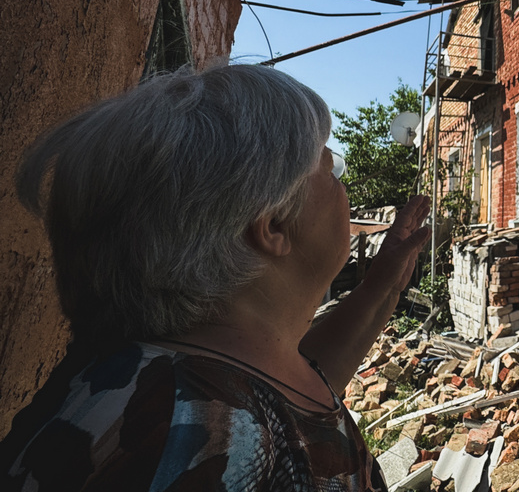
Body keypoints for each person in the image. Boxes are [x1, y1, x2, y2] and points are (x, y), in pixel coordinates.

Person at [0, 64, 434, 491]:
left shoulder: (201, 377)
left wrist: (381, 290)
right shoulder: (189, 437)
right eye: (329, 168)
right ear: (274, 223)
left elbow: (291, 399)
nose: (343, 183)